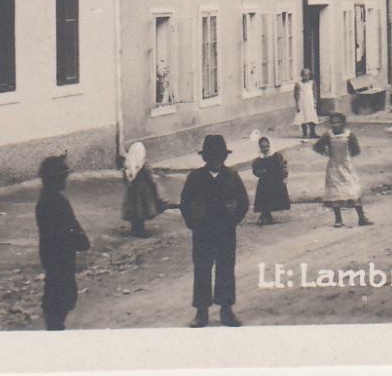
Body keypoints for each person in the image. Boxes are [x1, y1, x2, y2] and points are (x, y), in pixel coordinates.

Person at [179, 134, 249, 327]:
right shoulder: (195, 178)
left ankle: (227, 311)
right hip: (202, 234)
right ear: (205, 158)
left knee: (225, 270)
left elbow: (243, 202)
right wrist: (193, 223)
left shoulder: (231, 176)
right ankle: (201, 313)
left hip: (226, 233)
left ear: (224, 158)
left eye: (219, 157)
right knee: (202, 270)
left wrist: (232, 221)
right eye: (211, 157)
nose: (216, 161)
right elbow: (184, 202)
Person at [35, 154, 90, 331]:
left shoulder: (45, 199)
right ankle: (56, 329)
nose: (66, 181)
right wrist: (81, 240)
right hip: (61, 255)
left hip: (51, 255)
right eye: (64, 177)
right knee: (61, 296)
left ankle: (56, 325)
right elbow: (69, 226)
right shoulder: (57, 201)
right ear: (57, 179)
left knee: (57, 292)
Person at [314, 114, 370, 227]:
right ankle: (338, 219)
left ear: (343, 123)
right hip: (333, 167)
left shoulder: (349, 135)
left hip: (346, 166)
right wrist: (326, 152)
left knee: (353, 189)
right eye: (333, 123)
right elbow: (317, 146)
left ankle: (361, 217)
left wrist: (348, 157)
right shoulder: (328, 135)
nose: (336, 125)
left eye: (338, 122)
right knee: (335, 192)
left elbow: (356, 150)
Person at [120, 141, 165, 238]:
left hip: (132, 192)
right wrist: (155, 190)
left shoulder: (128, 165)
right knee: (141, 210)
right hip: (144, 193)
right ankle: (140, 231)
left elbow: (124, 178)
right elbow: (150, 179)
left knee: (133, 211)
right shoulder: (143, 165)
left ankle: (134, 229)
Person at [251, 135, 291, 226]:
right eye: (263, 147)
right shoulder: (259, 159)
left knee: (273, 197)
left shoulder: (276, 155)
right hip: (264, 182)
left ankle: (266, 215)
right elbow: (255, 170)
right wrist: (260, 172)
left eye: (267, 146)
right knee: (264, 198)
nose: (265, 149)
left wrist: (284, 177)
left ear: (270, 145)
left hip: (275, 180)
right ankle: (266, 214)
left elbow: (283, 166)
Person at [294, 68, 321, 139]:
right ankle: (305, 133)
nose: (305, 77)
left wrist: (315, 102)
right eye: (304, 75)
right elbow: (296, 95)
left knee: (312, 117)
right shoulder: (298, 84)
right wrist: (297, 104)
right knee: (303, 117)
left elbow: (315, 93)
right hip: (302, 102)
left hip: (310, 102)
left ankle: (312, 132)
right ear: (301, 76)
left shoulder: (312, 83)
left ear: (309, 76)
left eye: (307, 75)